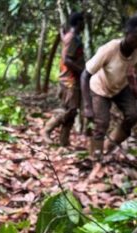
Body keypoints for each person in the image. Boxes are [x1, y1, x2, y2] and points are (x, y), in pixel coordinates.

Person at [81, 16, 137, 162]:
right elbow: (85, 75)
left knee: (133, 116)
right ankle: (95, 159)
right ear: (127, 33)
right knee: (102, 123)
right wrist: (87, 106)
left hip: (120, 88)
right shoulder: (110, 49)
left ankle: (108, 145)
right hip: (100, 88)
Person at [41, 12, 86, 147]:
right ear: (78, 22)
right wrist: (82, 71)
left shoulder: (71, 37)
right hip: (69, 80)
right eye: (83, 21)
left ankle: (64, 141)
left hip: (72, 79)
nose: (84, 24)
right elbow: (67, 60)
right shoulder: (73, 39)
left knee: (72, 111)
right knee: (69, 109)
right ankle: (46, 130)